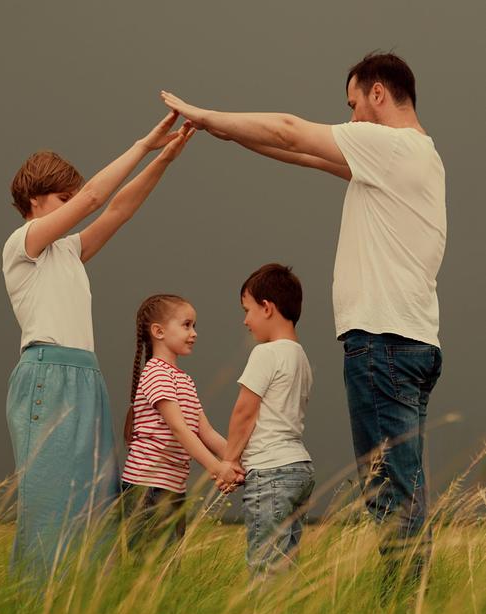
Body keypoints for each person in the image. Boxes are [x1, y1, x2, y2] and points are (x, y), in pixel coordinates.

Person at [161, 52, 446, 579]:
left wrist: (203, 113)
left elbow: (291, 131)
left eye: (353, 104)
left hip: (383, 345)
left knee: (390, 495)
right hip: (411, 344)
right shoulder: (418, 158)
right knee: (402, 486)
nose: (352, 118)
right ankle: (410, 612)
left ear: (377, 93)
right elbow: (299, 153)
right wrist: (221, 132)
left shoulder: (390, 144)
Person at [3, 113, 194, 576]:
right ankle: (34, 607)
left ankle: (84, 609)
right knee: (50, 504)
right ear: (34, 200)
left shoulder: (67, 252)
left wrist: (163, 159)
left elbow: (119, 209)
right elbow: (94, 197)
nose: (73, 206)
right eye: (61, 199)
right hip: (48, 376)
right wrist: (144, 144)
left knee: (94, 501)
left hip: (86, 378)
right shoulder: (22, 244)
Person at [121, 294, 245, 554]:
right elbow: (179, 429)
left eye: (194, 326)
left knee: (167, 566)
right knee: (150, 570)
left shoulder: (184, 380)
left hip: (172, 490)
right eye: (187, 325)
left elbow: (206, 432)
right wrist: (215, 468)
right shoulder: (156, 373)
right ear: (159, 331)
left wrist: (238, 463)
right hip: (147, 489)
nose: (194, 333)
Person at [214, 264, 315, 575]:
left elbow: (244, 412)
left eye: (248, 310)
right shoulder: (301, 357)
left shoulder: (265, 354)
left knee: (264, 567)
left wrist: (228, 463)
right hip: (299, 469)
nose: (245, 320)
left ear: (267, 308)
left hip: (270, 472)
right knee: (285, 563)